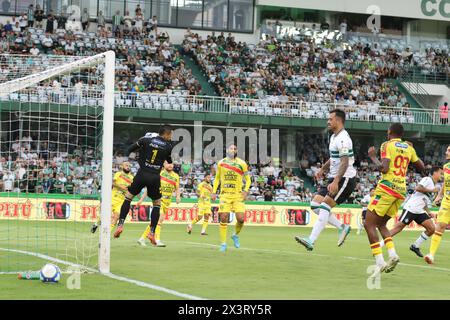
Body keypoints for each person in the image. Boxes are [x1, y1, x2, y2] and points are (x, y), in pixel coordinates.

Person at [366, 123, 425, 275]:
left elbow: (384, 168)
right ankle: (392, 254)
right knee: (381, 224)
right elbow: (422, 166)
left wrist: (373, 157)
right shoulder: (408, 147)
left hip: (386, 188)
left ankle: (379, 262)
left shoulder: (386, 145)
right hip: (400, 191)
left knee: (369, 224)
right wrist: (411, 150)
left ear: (389, 132)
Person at [295, 109, 354, 251]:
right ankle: (342, 227)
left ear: (339, 121)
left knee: (325, 207)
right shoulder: (334, 137)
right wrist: (323, 169)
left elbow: (345, 162)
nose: (328, 121)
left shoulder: (343, 139)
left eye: (331, 119)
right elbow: (334, 158)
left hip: (345, 178)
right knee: (315, 204)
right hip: (334, 177)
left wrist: (336, 181)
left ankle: (311, 240)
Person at [113, 125, 174, 245]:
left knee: (128, 198)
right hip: (155, 177)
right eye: (170, 135)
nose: (171, 137)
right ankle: (151, 232)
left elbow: (129, 149)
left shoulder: (145, 140)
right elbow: (170, 161)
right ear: (165, 134)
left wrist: (136, 155)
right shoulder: (168, 146)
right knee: (157, 204)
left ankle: (120, 225)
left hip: (141, 174)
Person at [389, 166, 442, 257]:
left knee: (431, 229)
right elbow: (418, 188)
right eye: (440, 173)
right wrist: (432, 190)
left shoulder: (433, 185)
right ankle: (379, 244)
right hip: (411, 208)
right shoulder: (427, 179)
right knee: (398, 228)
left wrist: (428, 212)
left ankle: (415, 246)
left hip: (419, 211)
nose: (442, 175)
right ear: (435, 173)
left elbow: (424, 200)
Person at [212, 144, 251, 252]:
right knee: (223, 217)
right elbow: (217, 179)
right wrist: (214, 192)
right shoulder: (221, 163)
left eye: (234, 149)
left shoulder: (242, 163)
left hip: (238, 195)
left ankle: (235, 235)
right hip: (225, 194)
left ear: (236, 151)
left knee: (241, 219)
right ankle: (223, 244)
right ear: (227, 150)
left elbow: (248, 180)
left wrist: (246, 191)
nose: (233, 150)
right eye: (231, 148)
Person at [138, 161, 180, 247]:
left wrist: (178, 197)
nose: (170, 165)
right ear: (163, 164)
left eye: (172, 164)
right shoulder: (159, 174)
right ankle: (157, 240)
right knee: (159, 220)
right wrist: (141, 199)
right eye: (168, 163)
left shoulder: (176, 176)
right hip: (159, 199)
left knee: (156, 221)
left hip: (167, 201)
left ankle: (142, 238)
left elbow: (177, 188)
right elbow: (150, 187)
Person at [424, 145, 450, 264]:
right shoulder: (445, 167)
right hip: (447, 201)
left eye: (449, 150)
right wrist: (440, 195)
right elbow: (446, 182)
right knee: (440, 226)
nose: (446, 152)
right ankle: (431, 255)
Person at [91, 162, 133, 233]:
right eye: (126, 165)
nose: (128, 167)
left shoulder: (132, 178)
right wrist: (122, 188)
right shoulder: (118, 174)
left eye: (129, 166)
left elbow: (131, 189)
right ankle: (96, 224)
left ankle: (107, 233)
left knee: (116, 217)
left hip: (121, 200)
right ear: (122, 166)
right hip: (112, 198)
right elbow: (113, 183)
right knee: (105, 215)